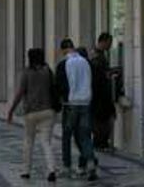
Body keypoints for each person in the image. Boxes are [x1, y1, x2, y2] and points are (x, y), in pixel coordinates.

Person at [7, 48, 58, 182]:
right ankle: (51, 169)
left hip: (31, 113)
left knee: (28, 141)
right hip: (48, 111)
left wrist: (11, 110)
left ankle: (26, 171)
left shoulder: (27, 72)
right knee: (46, 142)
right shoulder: (48, 71)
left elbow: (20, 93)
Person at [56, 38, 97, 180]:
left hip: (70, 104)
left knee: (67, 136)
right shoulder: (86, 62)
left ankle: (66, 166)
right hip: (86, 103)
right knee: (85, 135)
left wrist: (61, 100)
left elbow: (60, 86)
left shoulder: (63, 64)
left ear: (63, 50)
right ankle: (90, 163)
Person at [90, 33, 116, 149]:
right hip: (99, 95)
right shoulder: (97, 57)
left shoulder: (99, 56)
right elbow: (98, 76)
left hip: (101, 94)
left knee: (103, 120)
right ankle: (100, 142)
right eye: (109, 43)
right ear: (103, 42)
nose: (110, 46)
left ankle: (101, 142)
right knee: (101, 121)